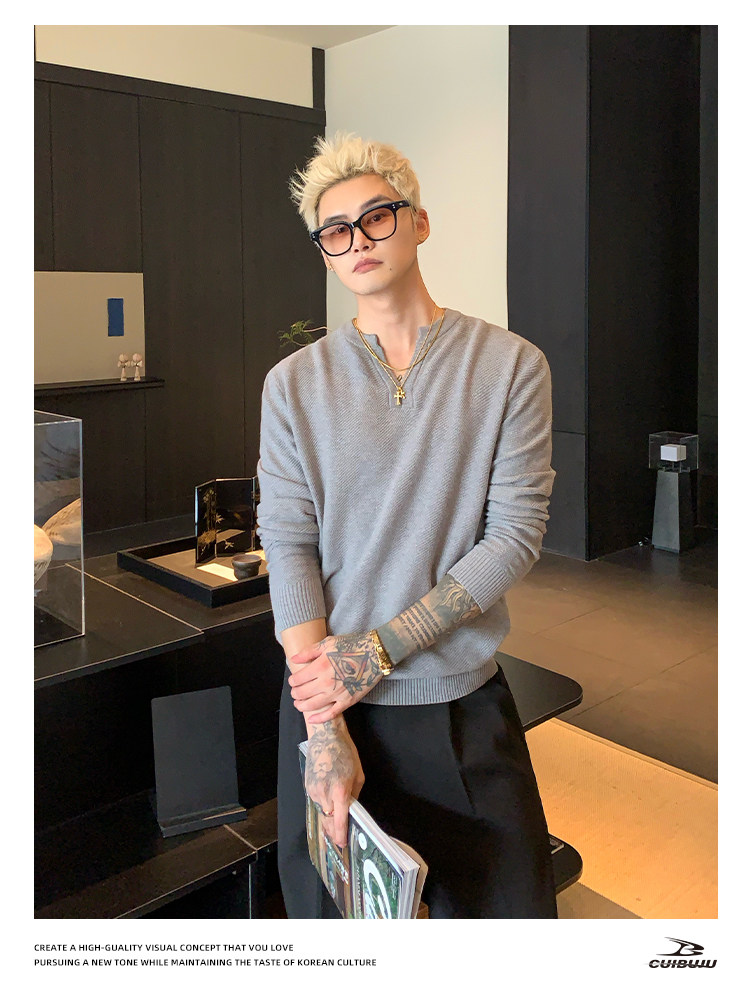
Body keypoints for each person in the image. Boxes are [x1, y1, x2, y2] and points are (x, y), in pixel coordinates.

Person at [256, 133, 557, 919]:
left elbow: (514, 536)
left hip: (457, 699)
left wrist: (381, 649)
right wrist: (324, 725)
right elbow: (288, 541)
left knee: (510, 920)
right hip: (331, 707)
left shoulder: (511, 366)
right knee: (341, 936)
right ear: (325, 252)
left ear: (418, 222)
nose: (357, 240)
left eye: (377, 216)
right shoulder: (293, 385)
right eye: (335, 230)